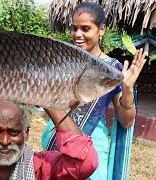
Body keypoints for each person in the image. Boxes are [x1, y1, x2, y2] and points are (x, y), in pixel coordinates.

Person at [41, 2, 147, 180]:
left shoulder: (112, 70)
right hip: (56, 143)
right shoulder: (63, 62)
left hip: (89, 151)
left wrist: (127, 88)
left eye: (85, 28)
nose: (78, 35)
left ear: (102, 29)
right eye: (74, 28)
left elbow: (126, 121)